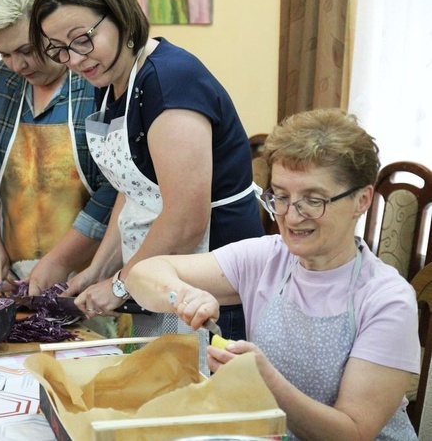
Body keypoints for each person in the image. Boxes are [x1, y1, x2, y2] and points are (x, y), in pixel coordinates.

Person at [126, 109, 419, 440]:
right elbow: (142, 273)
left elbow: (351, 432)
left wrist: (267, 381)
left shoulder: (387, 300)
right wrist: (182, 295)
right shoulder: (269, 258)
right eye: (280, 196)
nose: (292, 217)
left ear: (361, 200)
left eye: (313, 200)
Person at [30, 0, 263, 342]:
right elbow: (135, 188)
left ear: (120, 13)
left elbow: (186, 220)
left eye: (82, 39)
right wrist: (98, 269)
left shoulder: (171, 83)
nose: (74, 59)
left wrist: (121, 284)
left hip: (212, 280)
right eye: (59, 49)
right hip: (159, 274)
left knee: (201, 393)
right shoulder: (110, 81)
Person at [0, 0, 116, 292]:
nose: (17, 65)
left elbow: (116, 188)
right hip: (20, 281)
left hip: (97, 281)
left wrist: (59, 261)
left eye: (27, 50)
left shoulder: (97, 84)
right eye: (4, 54)